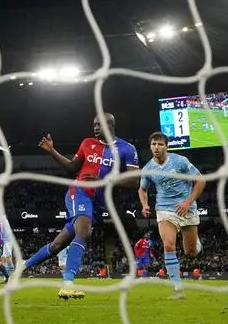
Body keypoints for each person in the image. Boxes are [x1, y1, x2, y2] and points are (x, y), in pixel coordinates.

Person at [18, 114, 140, 299]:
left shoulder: (127, 149)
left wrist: (105, 180)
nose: (95, 127)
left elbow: (134, 181)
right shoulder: (87, 143)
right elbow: (73, 168)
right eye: (94, 124)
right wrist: (52, 151)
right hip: (79, 192)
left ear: (111, 125)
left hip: (99, 203)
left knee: (58, 244)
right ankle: (68, 284)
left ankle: (24, 264)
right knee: (84, 231)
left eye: (99, 124)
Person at [138, 132, 205, 300]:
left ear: (167, 146)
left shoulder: (180, 161)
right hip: (164, 209)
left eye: (160, 144)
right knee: (168, 246)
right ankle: (177, 288)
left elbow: (200, 180)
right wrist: (145, 204)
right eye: (153, 144)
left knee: (190, 252)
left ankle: (196, 245)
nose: (156, 147)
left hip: (186, 208)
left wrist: (188, 202)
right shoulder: (148, 168)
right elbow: (142, 189)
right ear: (150, 147)